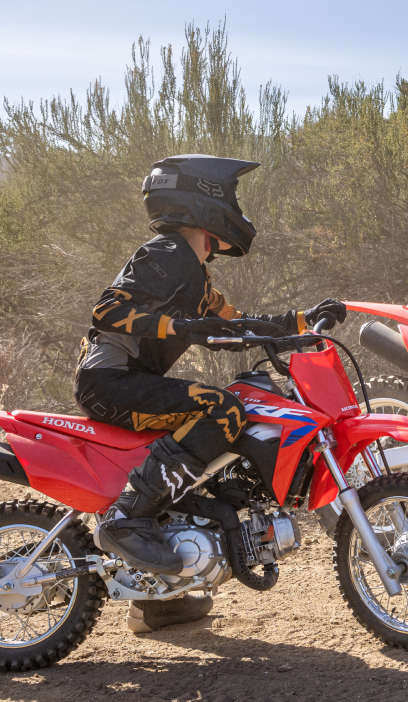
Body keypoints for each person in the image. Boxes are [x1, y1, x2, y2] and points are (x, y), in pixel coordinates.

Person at [75, 154, 344, 629]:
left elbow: (239, 325)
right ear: (204, 198)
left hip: (134, 385)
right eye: (233, 197)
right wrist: (175, 325)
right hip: (109, 380)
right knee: (222, 409)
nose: (238, 207)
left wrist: (304, 323)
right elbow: (107, 311)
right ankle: (127, 520)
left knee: (213, 437)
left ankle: (164, 599)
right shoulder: (167, 253)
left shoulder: (196, 273)